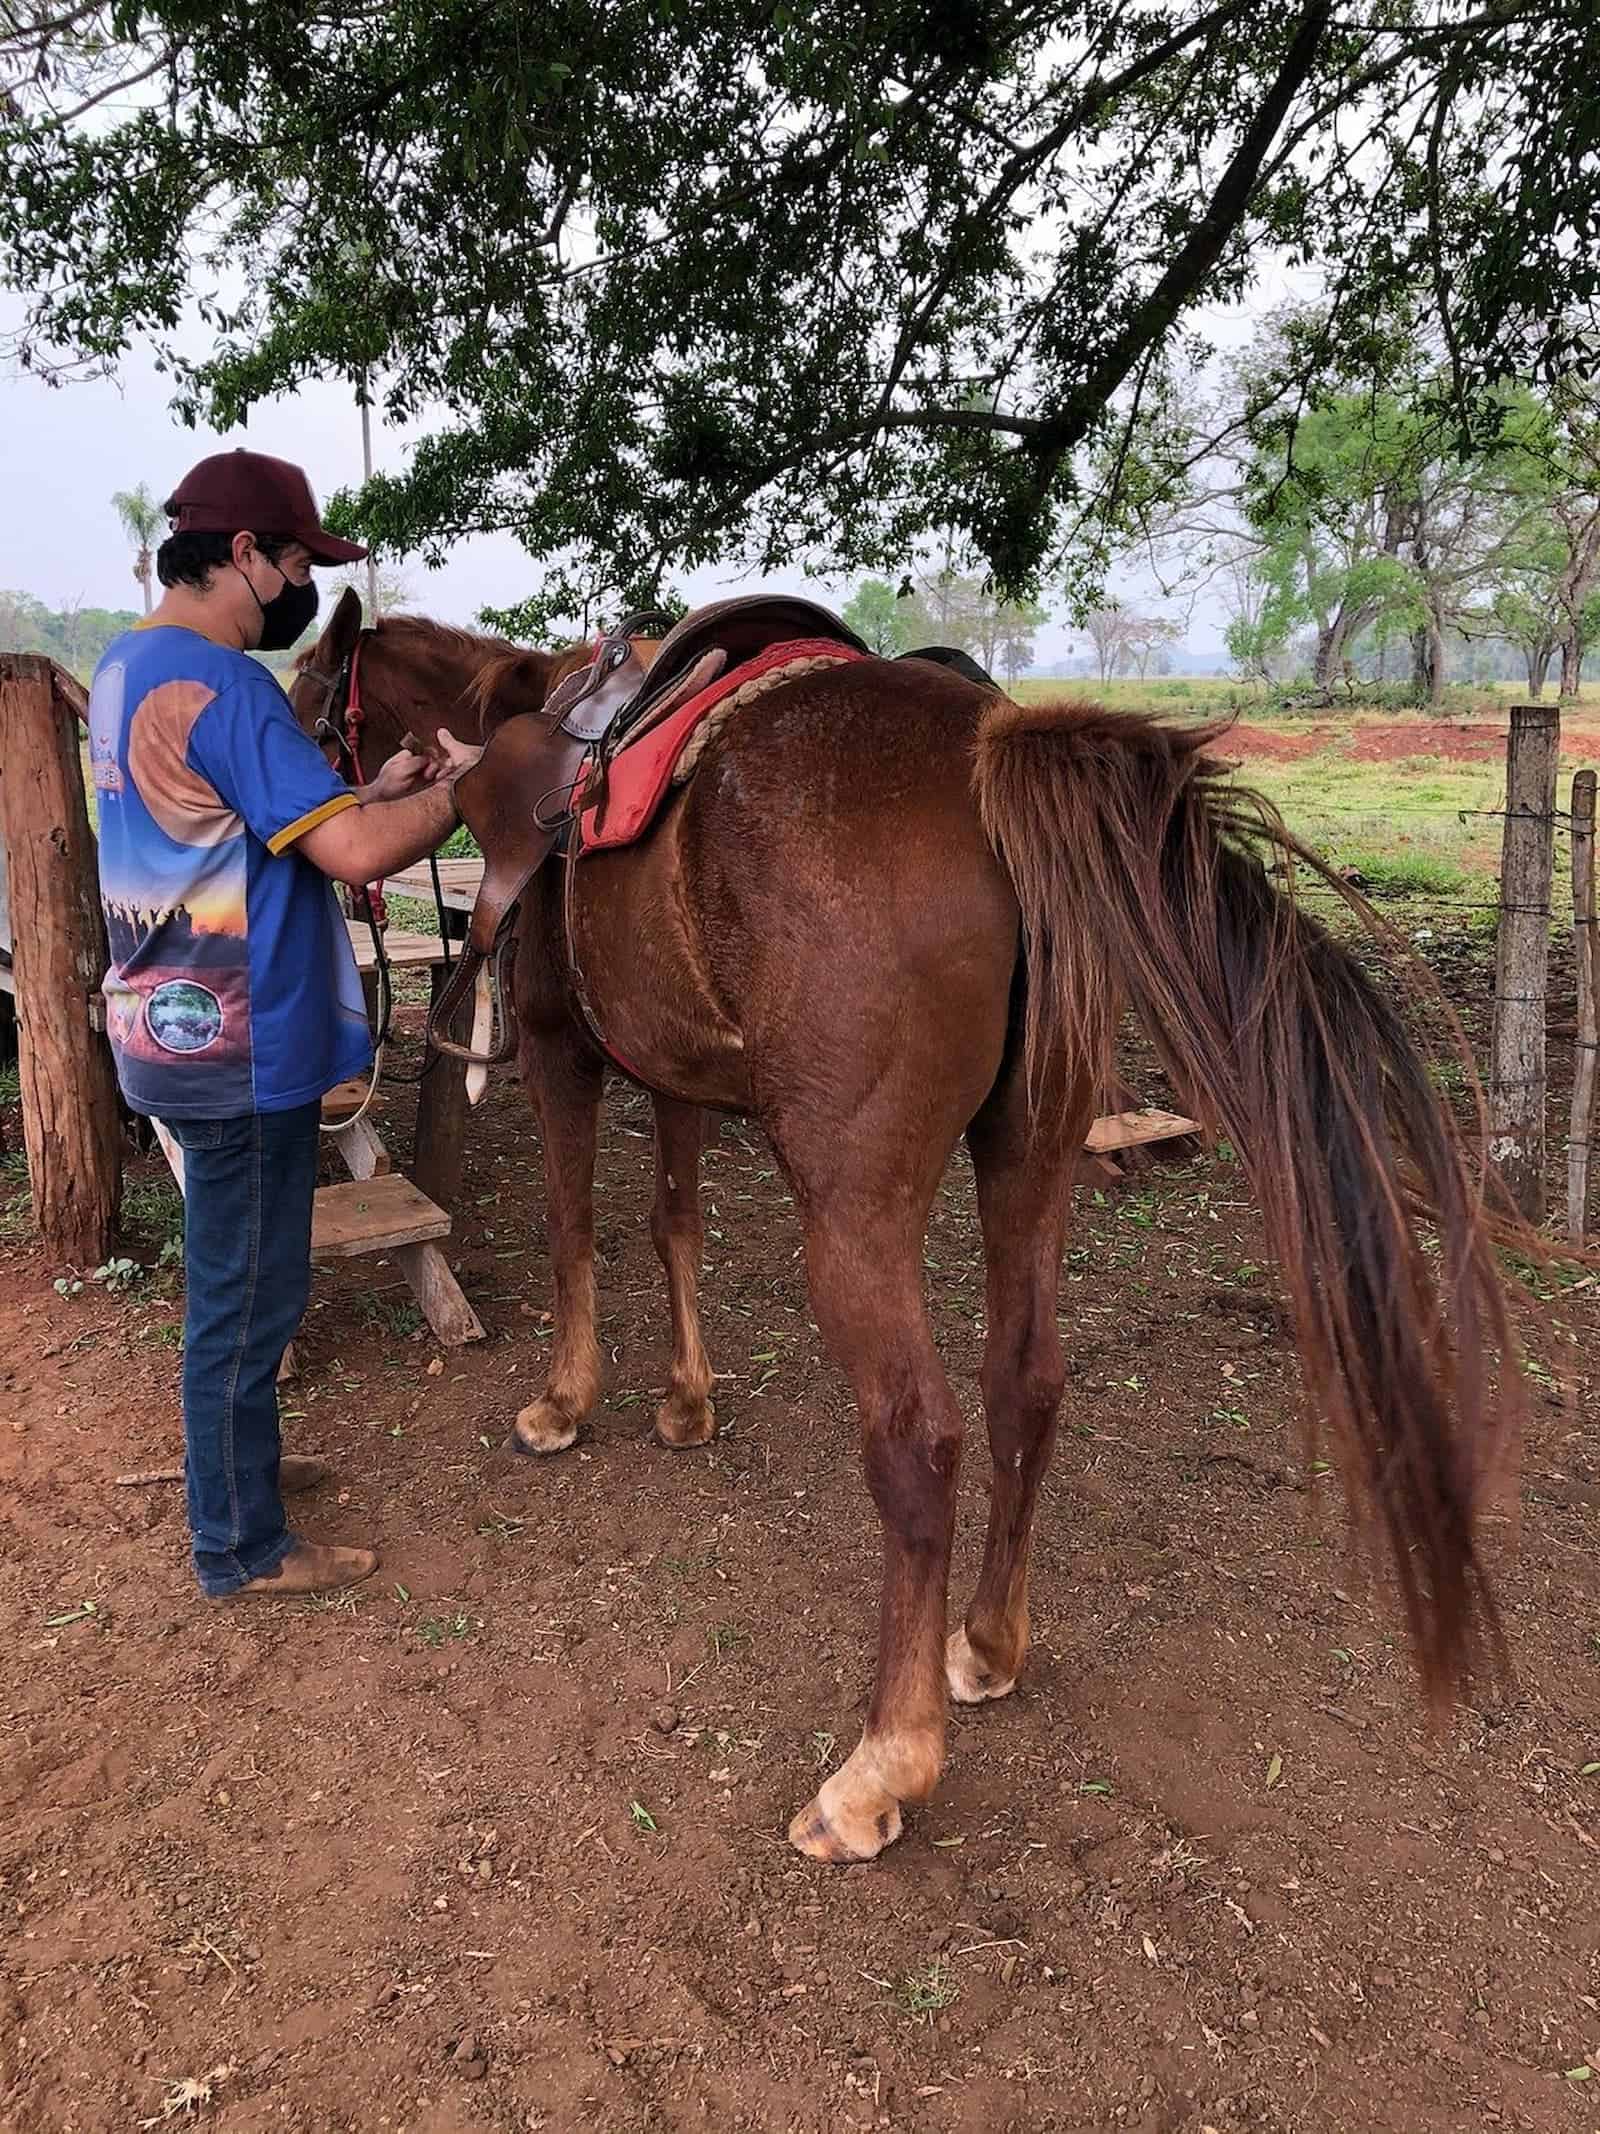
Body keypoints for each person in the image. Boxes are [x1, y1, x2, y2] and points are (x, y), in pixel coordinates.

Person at [88, 448, 482, 1602]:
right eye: (297, 560)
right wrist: (463, 788)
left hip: (170, 1032)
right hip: (239, 1046)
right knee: (247, 1301)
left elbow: (254, 818)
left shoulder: (129, 668)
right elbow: (352, 856)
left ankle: (235, 1480)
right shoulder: (230, 687)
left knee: (233, 1289)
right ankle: (241, 1545)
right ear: (244, 555)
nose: (303, 585)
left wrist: (380, 782)